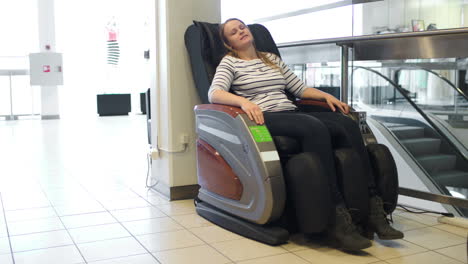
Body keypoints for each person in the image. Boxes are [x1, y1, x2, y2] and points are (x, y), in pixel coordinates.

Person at [208, 18, 404, 251]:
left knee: (346, 123)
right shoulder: (230, 63)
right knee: (313, 127)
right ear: (228, 42)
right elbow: (215, 93)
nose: (240, 32)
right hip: (265, 117)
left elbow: (298, 89)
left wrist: (325, 96)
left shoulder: (271, 59)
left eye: (242, 27)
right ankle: (335, 217)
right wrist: (243, 102)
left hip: (291, 112)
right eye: (233, 32)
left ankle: (372, 206)